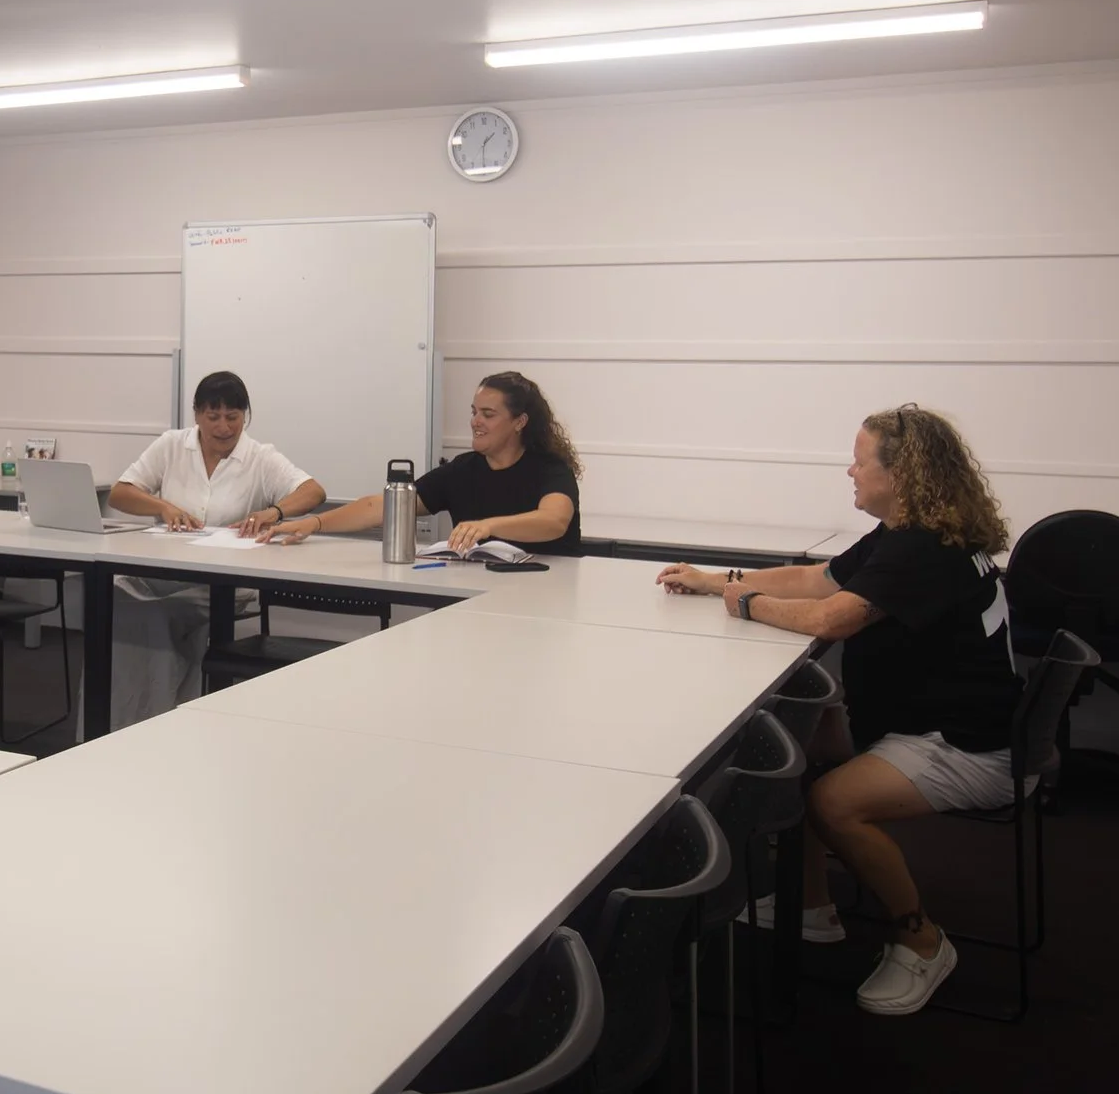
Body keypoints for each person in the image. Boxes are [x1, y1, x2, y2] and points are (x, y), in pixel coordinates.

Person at [655, 404, 1020, 1017]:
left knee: (832, 801)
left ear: (900, 473)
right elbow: (822, 578)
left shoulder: (922, 549)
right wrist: (718, 580)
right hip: (937, 724)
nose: (849, 470)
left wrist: (746, 604)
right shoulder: (914, 533)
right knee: (802, 749)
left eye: (860, 459)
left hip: (968, 746)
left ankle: (921, 941)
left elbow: (831, 618)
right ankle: (810, 908)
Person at [103, 371, 326, 726]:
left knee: (158, 616)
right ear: (196, 415)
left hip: (224, 586)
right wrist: (162, 506)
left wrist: (274, 511)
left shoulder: (260, 457)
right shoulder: (172, 445)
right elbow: (121, 492)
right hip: (165, 572)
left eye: (233, 417)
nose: (224, 427)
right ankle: (116, 720)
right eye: (213, 417)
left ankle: (162, 719)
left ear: (245, 417)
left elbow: (313, 491)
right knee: (117, 604)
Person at [258, 370, 583, 554]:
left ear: (520, 421)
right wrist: (315, 523)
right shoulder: (463, 470)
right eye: (473, 412)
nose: (475, 422)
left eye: (488, 414)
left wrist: (488, 527)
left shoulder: (549, 468)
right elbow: (381, 506)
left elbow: (553, 521)